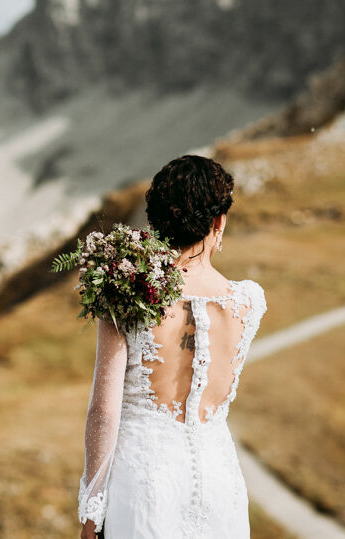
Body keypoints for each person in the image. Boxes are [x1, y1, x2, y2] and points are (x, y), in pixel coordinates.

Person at [78, 154, 267, 538]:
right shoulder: (247, 303)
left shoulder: (127, 294)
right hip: (219, 482)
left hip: (146, 481)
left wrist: (92, 512)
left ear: (156, 222)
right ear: (218, 222)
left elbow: (104, 411)